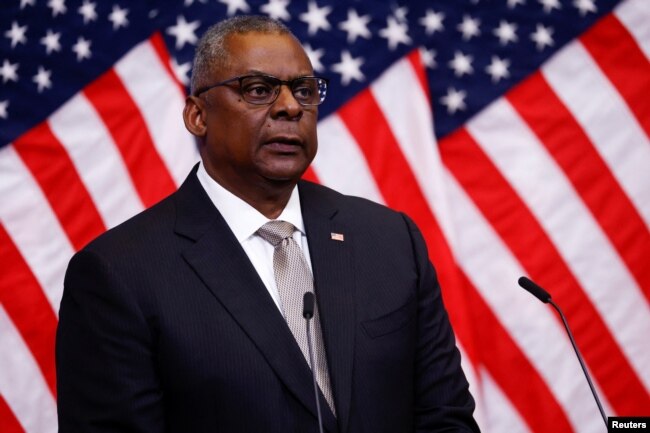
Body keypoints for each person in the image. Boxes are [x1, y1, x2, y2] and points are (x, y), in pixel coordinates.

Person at [56, 15, 480, 433]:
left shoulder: (388, 239)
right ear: (197, 116)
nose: (290, 107)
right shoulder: (118, 273)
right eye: (259, 90)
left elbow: (446, 419)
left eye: (304, 90)